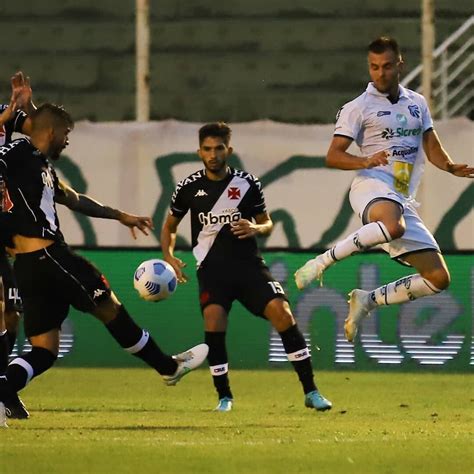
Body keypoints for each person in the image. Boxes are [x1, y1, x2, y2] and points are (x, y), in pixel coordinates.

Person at [0, 103, 208, 428]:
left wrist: (120, 215)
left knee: (44, 349)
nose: (67, 142)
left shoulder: (40, 166)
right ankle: (168, 367)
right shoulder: (17, 152)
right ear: (52, 132)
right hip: (49, 256)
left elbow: (73, 198)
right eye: (66, 135)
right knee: (108, 307)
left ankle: (2, 394)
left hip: (29, 266)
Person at [295, 36, 474, 343]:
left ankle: (369, 300)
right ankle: (322, 261)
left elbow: (431, 146)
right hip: (371, 185)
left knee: (438, 278)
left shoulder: (417, 103)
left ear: (399, 64)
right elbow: (333, 156)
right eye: (374, 67)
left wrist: (450, 166)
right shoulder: (358, 107)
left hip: (401, 197)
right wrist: (365, 159)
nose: (380, 73)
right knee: (392, 225)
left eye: (387, 66)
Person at [161, 122, 332, 412]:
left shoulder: (247, 183)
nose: (213, 154)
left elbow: (267, 223)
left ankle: (311, 391)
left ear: (229, 150)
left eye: (218, 148)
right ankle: (224, 397)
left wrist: (255, 227)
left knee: (283, 313)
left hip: (249, 266)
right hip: (212, 271)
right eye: (207, 149)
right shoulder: (188, 187)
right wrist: (168, 255)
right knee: (213, 322)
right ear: (199, 152)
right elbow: (170, 227)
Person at [0, 72, 35, 378]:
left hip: (5, 226)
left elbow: (40, 132)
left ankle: (2, 384)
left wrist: (27, 105)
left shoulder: (5, 115)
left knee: (12, 311)